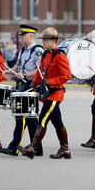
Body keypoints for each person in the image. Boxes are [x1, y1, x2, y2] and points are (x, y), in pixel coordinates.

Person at [19, 27, 72, 159]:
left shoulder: (59, 55)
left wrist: (50, 82)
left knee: (43, 120)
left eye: (46, 40)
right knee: (58, 122)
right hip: (48, 94)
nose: (43, 42)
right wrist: (33, 83)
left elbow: (67, 75)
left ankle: (32, 147)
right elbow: (40, 71)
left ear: (54, 41)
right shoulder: (45, 54)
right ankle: (65, 149)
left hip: (55, 94)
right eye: (43, 40)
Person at [0, 25, 44, 156]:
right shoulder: (23, 49)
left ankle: (13, 148)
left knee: (21, 117)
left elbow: (40, 70)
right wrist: (10, 71)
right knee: (30, 118)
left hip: (30, 85)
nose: (21, 38)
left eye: (23, 35)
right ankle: (37, 148)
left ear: (31, 36)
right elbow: (18, 66)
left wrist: (25, 75)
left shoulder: (38, 50)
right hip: (21, 85)